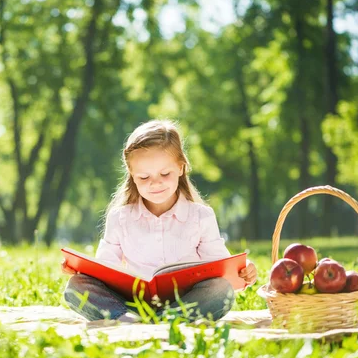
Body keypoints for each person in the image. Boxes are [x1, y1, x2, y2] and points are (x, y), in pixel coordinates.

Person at [62, 120, 257, 324]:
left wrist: (242, 270)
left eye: (165, 174)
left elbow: (220, 267)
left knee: (221, 291)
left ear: (181, 168)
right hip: (132, 302)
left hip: (185, 301)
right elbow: (105, 268)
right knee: (76, 286)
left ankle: (156, 321)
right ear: (132, 175)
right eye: (144, 177)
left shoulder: (201, 216)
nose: (155, 183)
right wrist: (82, 271)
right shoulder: (120, 218)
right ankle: (134, 319)